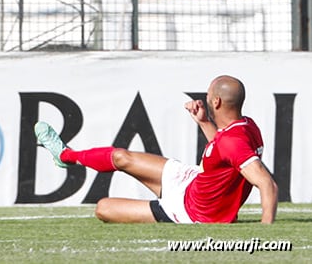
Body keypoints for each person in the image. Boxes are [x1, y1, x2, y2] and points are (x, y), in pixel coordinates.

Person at [34, 75, 277, 224]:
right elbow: (226, 153)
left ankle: (160, 206)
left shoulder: (233, 140)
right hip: (192, 183)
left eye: (209, 94)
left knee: (103, 208)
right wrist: (203, 122)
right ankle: (65, 156)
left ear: (216, 102)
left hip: (189, 212)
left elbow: (267, 184)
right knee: (121, 156)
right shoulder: (245, 127)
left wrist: (266, 232)